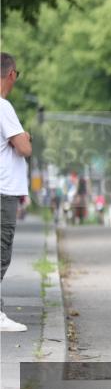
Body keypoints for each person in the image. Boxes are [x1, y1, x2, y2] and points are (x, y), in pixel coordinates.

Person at [1, 52, 31, 332]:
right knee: (1, 252)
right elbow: (24, 147)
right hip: (3, 190)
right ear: (11, 74)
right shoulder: (3, 107)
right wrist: (25, 138)